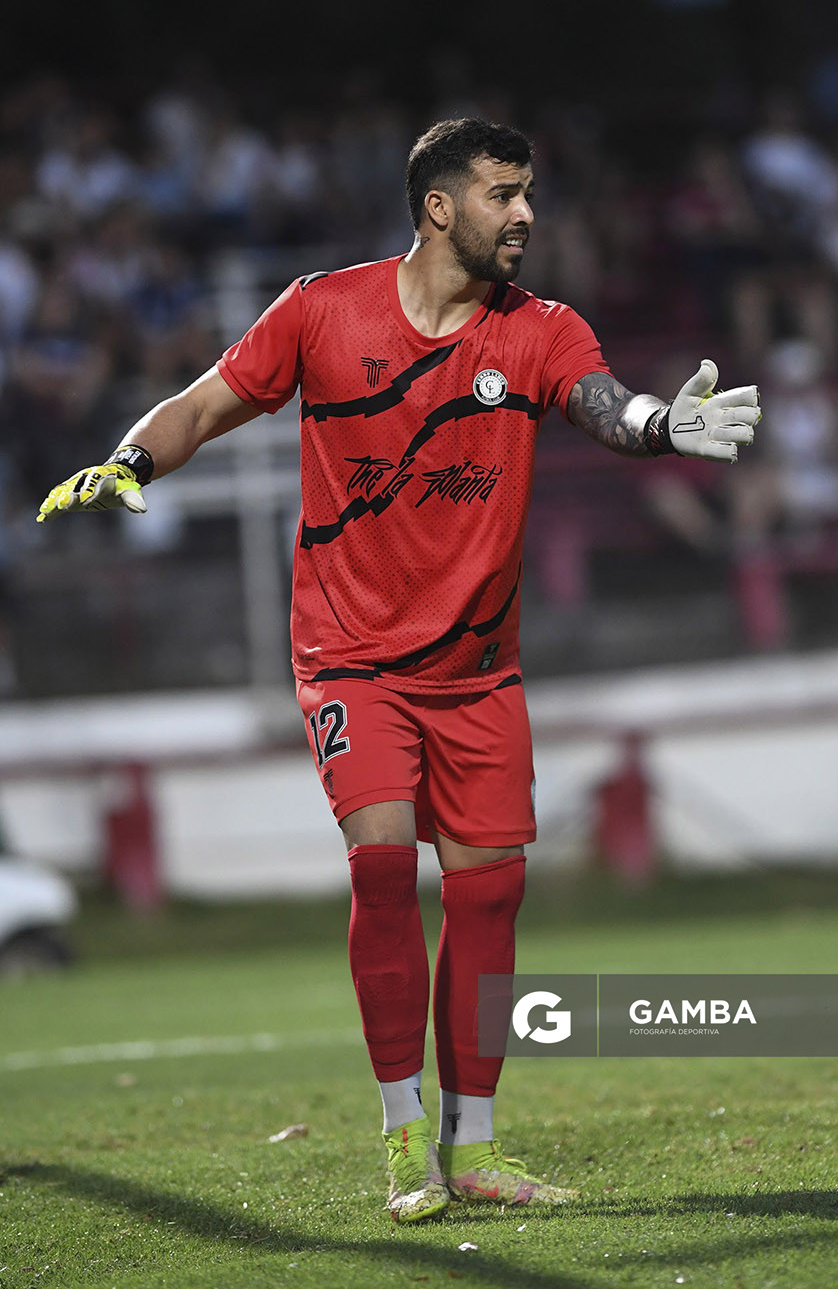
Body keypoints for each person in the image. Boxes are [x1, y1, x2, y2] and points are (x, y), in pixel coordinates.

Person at [37, 118, 761, 1223]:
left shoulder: (542, 329)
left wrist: (668, 423)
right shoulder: (322, 310)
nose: (525, 213)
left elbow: (605, 407)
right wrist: (129, 459)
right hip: (351, 656)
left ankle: (474, 1145)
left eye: (529, 194)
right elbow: (202, 403)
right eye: (504, 193)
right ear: (439, 206)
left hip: (478, 669)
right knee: (382, 868)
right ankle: (402, 1133)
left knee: (492, 895)